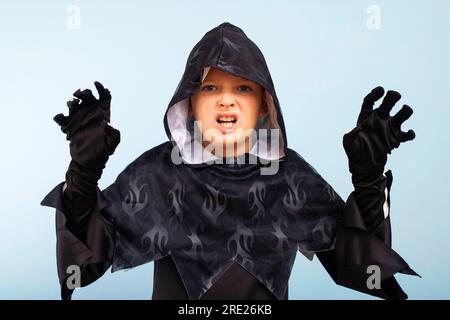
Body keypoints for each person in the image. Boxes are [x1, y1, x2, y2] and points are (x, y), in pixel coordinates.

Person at [41, 22, 419, 300]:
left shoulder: (290, 177)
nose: (226, 100)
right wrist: (83, 175)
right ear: (189, 103)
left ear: (263, 104)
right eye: (210, 87)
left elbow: (362, 266)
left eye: (242, 87)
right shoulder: (158, 173)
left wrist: (368, 181)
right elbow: (82, 267)